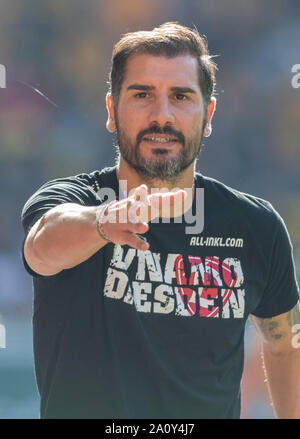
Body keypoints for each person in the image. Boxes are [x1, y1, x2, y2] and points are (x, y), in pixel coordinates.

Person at [21, 22, 300, 419]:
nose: (162, 115)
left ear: (208, 115)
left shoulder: (254, 226)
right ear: (111, 111)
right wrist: (104, 222)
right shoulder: (73, 201)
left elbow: (286, 342)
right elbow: (42, 246)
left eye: (181, 96)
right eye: (142, 94)